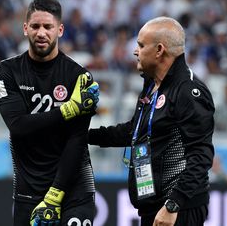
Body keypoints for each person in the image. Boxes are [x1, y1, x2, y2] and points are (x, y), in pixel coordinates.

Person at [88, 16, 215, 226]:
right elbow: (133, 132)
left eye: (140, 45)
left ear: (159, 50)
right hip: (153, 206)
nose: (135, 51)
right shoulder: (152, 84)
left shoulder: (188, 92)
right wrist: (85, 135)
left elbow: (201, 155)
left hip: (177, 209)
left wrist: (173, 204)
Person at [0, 0, 99, 226]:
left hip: (73, 190)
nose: (41, 33)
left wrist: (55, 194)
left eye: (48, 27)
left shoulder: (79, 77)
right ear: (25, 28)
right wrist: (68, 110)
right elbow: (18, 126)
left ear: (60, 30)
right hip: (28, 191)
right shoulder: (7, 72)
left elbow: (77, 140)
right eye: (36, 26)